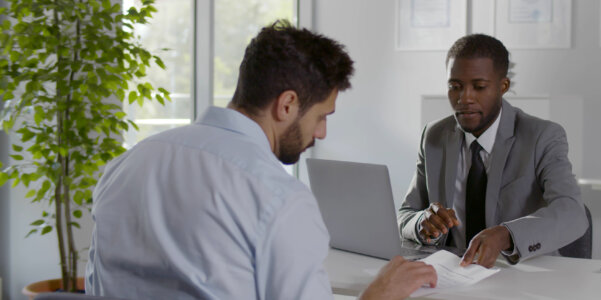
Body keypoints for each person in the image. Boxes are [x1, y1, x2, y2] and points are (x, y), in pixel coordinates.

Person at [85, 21, 436, 300]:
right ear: (287, 105)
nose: (323, 132)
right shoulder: (277, 197)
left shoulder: (125, 165)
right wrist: (380, 295)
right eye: (322, 116)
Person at [397, 34, 588, 268]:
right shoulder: (434, 135)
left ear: (503, 86)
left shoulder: (542, 136)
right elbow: (405, 214)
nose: (464, 98)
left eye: (479, 87)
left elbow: (572, 213)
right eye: (455, 87)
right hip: (452, 275)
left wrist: (507, 235)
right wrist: (421, 223)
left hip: (521, 275)